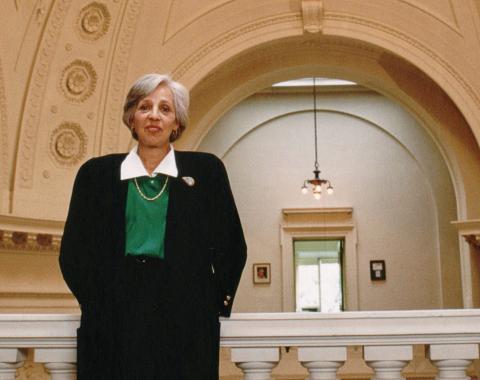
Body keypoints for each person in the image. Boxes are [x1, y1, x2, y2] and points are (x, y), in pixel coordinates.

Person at [59, 73, 247, 380]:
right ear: (132, 117)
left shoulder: (207, 171)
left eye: (165, 109)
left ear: (177, 123)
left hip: (187, 326)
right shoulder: (95, 174)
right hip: (112, 324)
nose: (154, 116)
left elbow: (232, 248)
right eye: (145, 107)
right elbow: (73, 254)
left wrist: (205, 307)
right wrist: (99, 304)